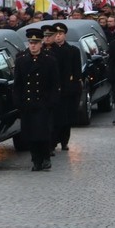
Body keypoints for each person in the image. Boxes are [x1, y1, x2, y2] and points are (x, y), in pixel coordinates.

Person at [15, 28, 58, 169]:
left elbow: (54, 84)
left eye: (36, 43)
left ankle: (45, 157)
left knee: (43, 133)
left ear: (41, 44)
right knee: (31, 135)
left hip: (43, 103)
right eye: (30, 42)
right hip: (28, 104)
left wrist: (51, 102)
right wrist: (19, 102)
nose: (33, 45)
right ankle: (35, 160)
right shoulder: (21, 60)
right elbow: (18, 84)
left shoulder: (49, 61)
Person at [49, 23, 82, 152]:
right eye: (55, 34)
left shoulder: (73, 51)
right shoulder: (49, 51)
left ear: (65, 35)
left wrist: (74, 88)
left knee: (66, 119)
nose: (58, 36)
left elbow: (77, 72)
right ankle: (52, 142)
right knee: (54, 119)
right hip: (54, 90)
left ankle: (64, 141)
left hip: (67, 90)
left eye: (60, 34)